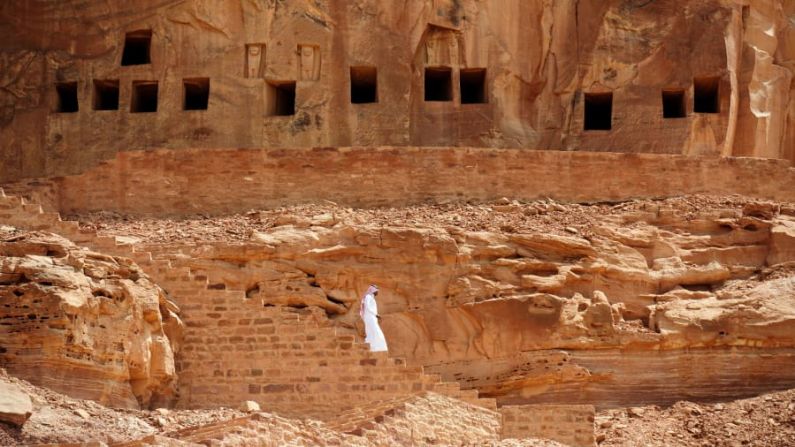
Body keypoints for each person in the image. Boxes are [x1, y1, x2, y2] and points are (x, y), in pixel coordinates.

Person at [359, 284, 388, 352]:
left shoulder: (371, 297)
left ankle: (374, 348)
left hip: (372, 317)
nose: (377, 292)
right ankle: (377, 348)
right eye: (376, 291)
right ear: (373, 290)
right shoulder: (368, 297)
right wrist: (376, 314)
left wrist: (375, 315)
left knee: (372, 331)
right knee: (374, 331)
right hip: (370, 317)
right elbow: (368, 307)